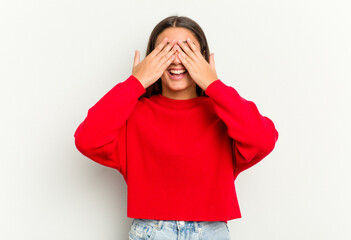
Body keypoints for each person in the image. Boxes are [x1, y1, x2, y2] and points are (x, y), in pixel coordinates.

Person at [74, 15, 279, 240]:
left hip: (211, 232)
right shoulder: (133, 114)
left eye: (186, 50)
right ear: (151, 59)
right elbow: (87, 139)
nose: (176, 60)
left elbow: (263, 139)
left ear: (202, 59)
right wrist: (136, 82)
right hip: (150, 231)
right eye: (165, 51)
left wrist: (213, 84)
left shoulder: (223, 116)